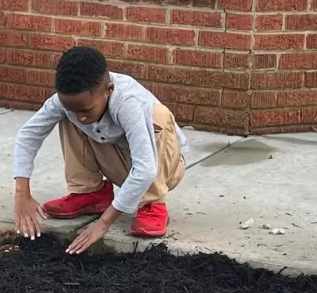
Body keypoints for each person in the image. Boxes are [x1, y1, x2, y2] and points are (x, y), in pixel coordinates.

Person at [13, 45, 188, 254]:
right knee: (67, 116)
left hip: (164, 169)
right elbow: (28, 135)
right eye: (74, 109)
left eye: (86, 110)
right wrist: (22, 194)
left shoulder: (128, 102)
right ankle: (89, 193)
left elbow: (146, 168)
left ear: (109, 90)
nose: (81, 117)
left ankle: (152, 202)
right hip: (119, 160)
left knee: (156, 115)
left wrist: (104, 223)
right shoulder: (71, 101)